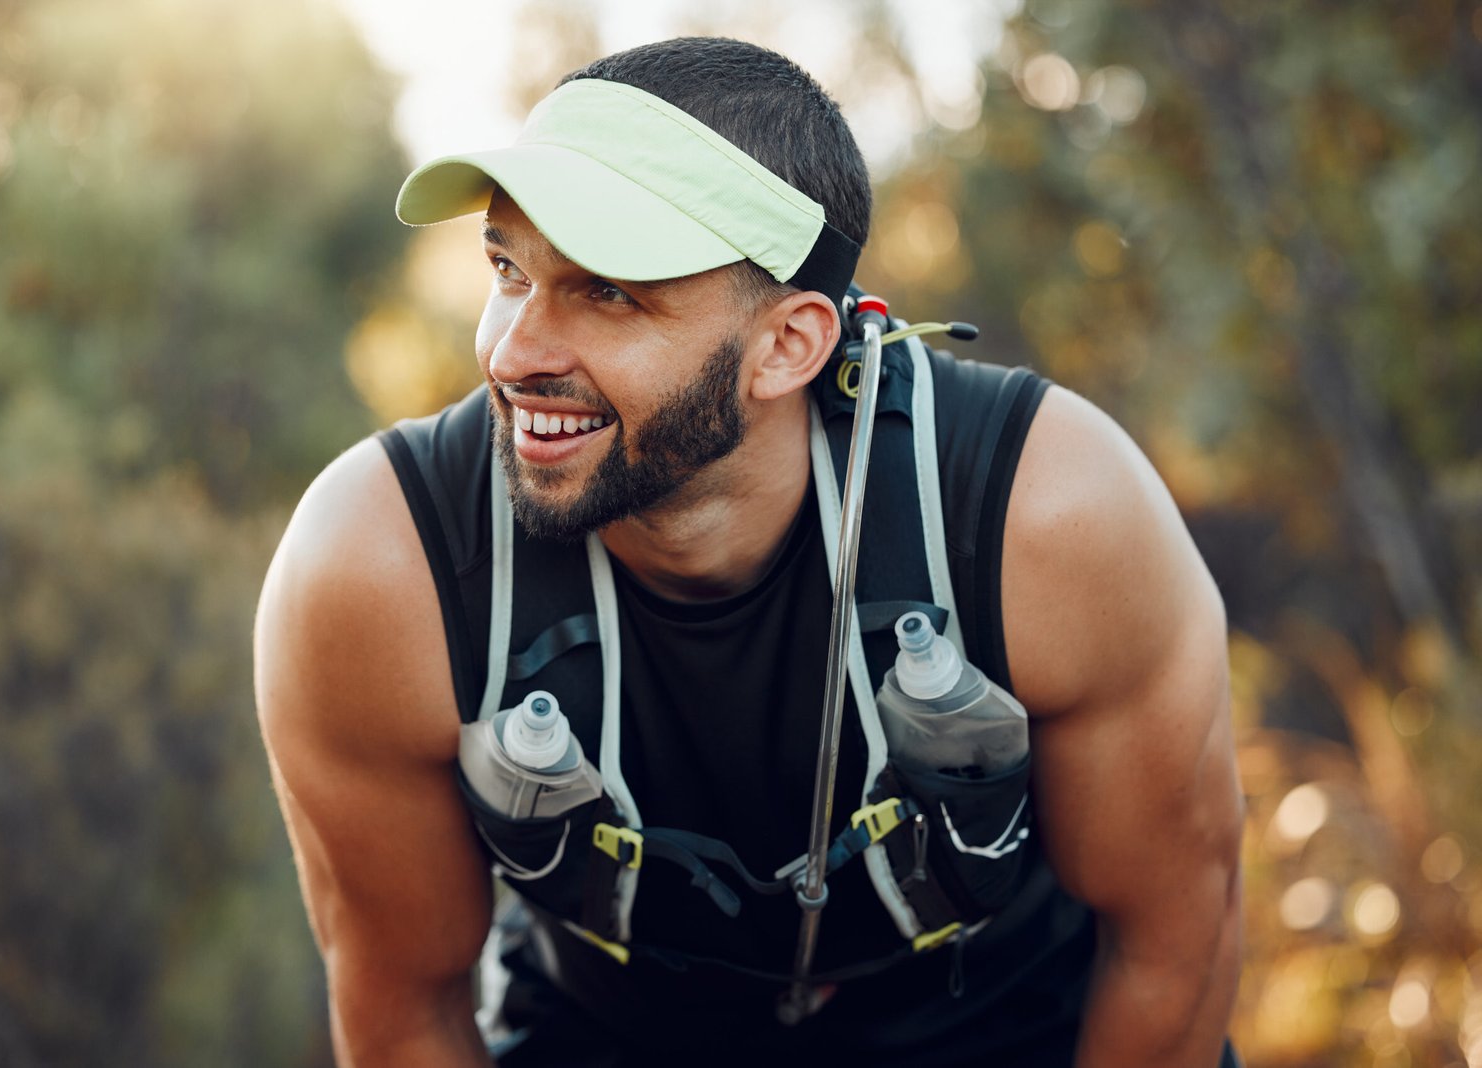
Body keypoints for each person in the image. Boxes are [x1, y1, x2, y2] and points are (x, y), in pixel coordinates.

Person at [254, 36, 1244, 1068]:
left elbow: (1175, 941)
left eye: (607, 293)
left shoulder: (1041, 516)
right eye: (507, 268)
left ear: (789, 344)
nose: (511, 353)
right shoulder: (378, 568)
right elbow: (404, 1009)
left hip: (1012, 1026)